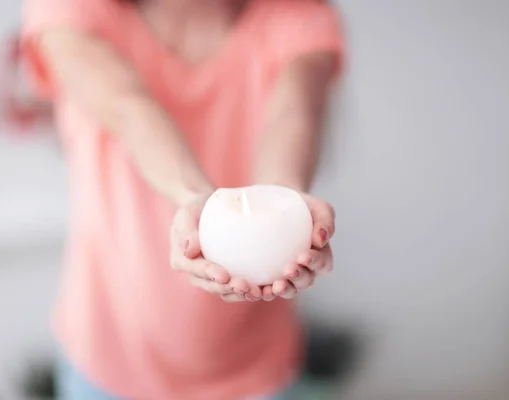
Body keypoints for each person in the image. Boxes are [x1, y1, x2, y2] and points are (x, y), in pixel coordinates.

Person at [21, 0, 343, 399]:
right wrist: (194, 198)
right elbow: (128, 107)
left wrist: (285, 201)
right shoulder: (72, 9)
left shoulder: (295, 14)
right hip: (108, 361)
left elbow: (293, 115)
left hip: (257, 368)